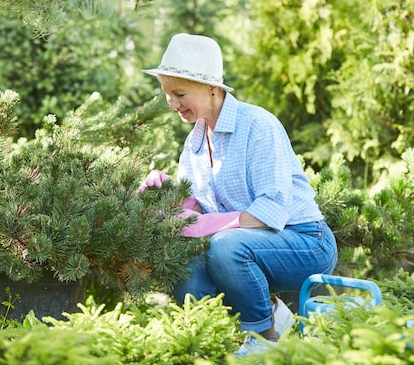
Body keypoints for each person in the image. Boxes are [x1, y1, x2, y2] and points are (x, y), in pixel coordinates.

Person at [137, 33, 338, 356]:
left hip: (305, 241)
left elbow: (270, 211)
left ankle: (264, 339)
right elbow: (199, 209)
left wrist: (204, 226)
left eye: (179, 93)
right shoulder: (195, 143)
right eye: (166, 95)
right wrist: (170, 195)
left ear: (212, 88)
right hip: (247, 244)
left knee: (224, 246)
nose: (171, 104)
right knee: (185, 266)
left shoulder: (258, 125)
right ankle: (213, 342)